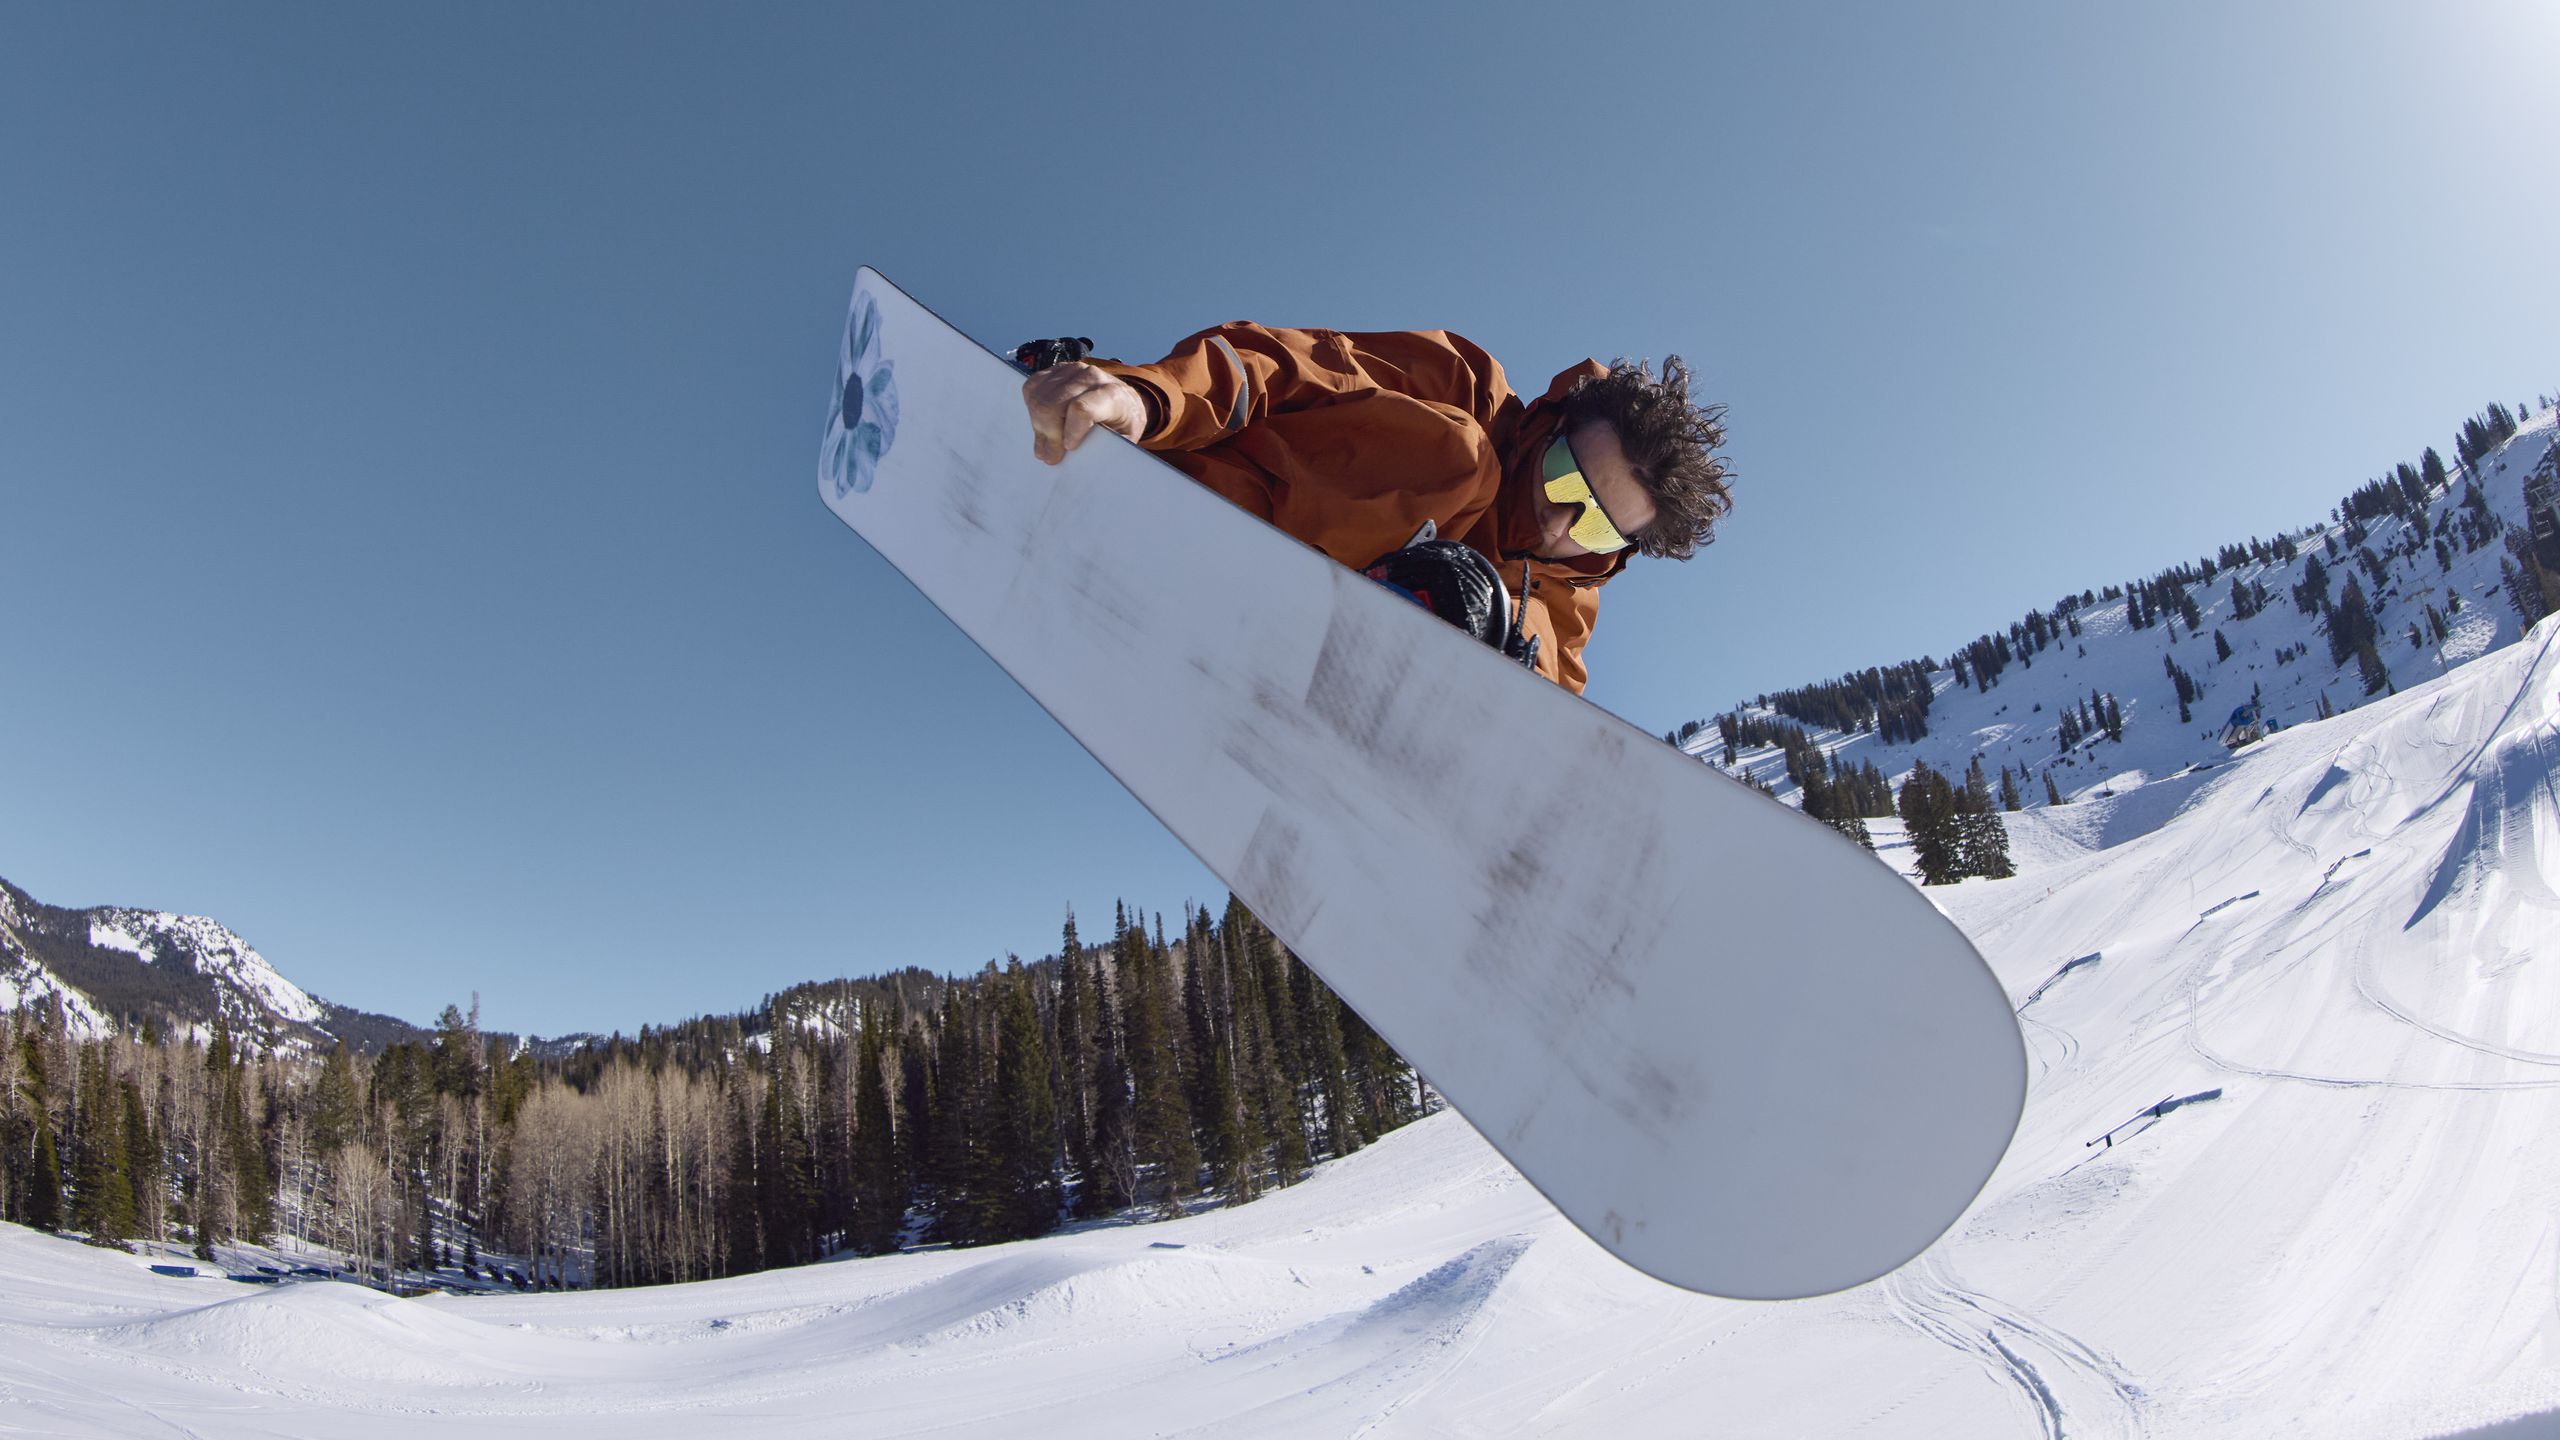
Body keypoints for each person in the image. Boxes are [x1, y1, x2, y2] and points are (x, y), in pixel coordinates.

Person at [1021, 323, 1730, 693]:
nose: (1561, 522)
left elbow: (1551, 719)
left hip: (1307, 669)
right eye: (1564, 478)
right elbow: (1281, 367)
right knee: (1463, 461)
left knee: (1511, 636)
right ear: (1550, 431)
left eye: (1598, 525)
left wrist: (1503, 670)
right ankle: (1110, 418)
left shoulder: (1562, 608)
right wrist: (1148, 395)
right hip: (1230, 503)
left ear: (1620, 553)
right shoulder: (1465, 384)